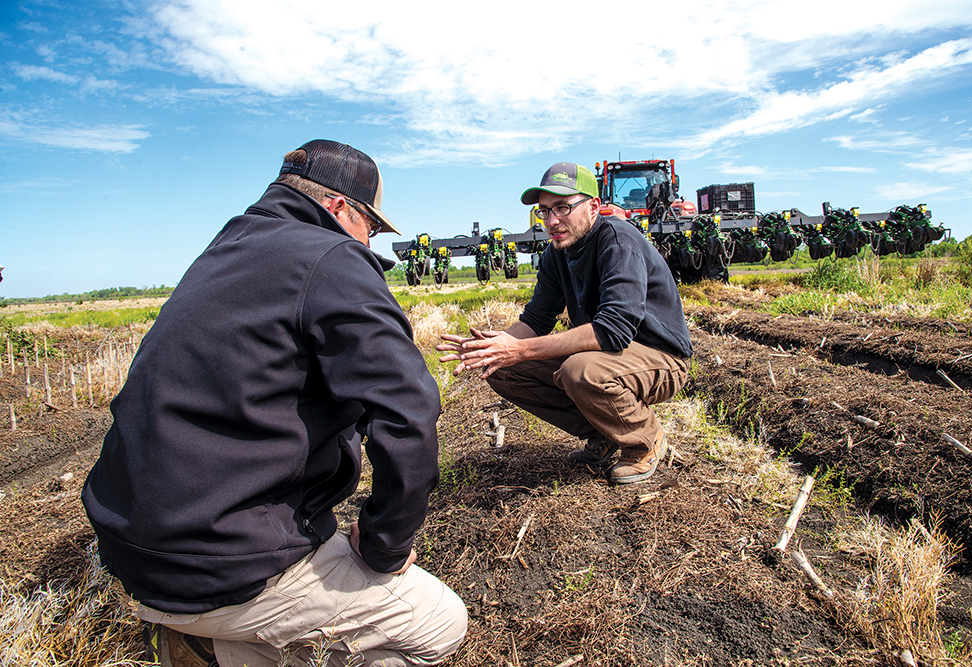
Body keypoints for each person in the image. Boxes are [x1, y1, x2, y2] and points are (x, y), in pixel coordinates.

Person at [82, 140, 468, 667]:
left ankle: (202, 638)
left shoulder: (225, 249)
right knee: (439, 622)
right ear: (338, 207)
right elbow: (410, 411)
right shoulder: (332, 256)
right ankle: (214, 645)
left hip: (131, 551)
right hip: (223, 565)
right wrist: (384, 546)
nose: (369, 241)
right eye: (371, 227)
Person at [438, 162, 692, 484]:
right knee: (502, 368)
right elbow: (536, 319)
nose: (552, 221)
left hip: (660, 358)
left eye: (563, 207)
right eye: (544, 211)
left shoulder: (617, 241)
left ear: (593, 207)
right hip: (611, 356)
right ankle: (606, 433)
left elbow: (612, 331)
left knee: (581, 371)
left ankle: (643, 440)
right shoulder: (556, 254)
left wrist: (519, 349)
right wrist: (492, 348)